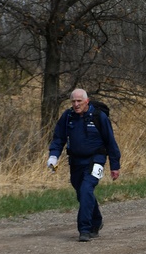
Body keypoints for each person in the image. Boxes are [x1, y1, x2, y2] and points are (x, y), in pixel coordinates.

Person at [47, 88, 121, 242]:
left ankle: (85, 229)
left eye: (79, 101)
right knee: (82, 193)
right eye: (73, 101)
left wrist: (115, 165)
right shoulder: (68, 117)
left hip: (96, 160)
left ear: (87, 101)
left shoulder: (99, 117)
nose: (76, 104)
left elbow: (110, 142)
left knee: (86, 189)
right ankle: (97, 221)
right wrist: (53, 156)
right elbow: (59, 138)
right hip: (75, 161)